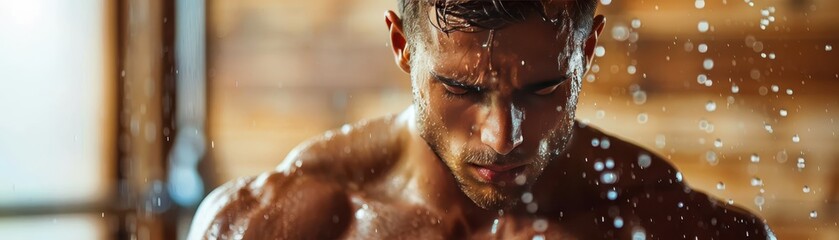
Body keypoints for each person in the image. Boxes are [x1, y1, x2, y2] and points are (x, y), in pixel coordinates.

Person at [188, 0, 774, 239]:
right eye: (462, 89)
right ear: (402, 47)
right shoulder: (278, 225)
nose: (502, 138)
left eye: (543, 88)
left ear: (588, 47)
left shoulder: (662, 220)